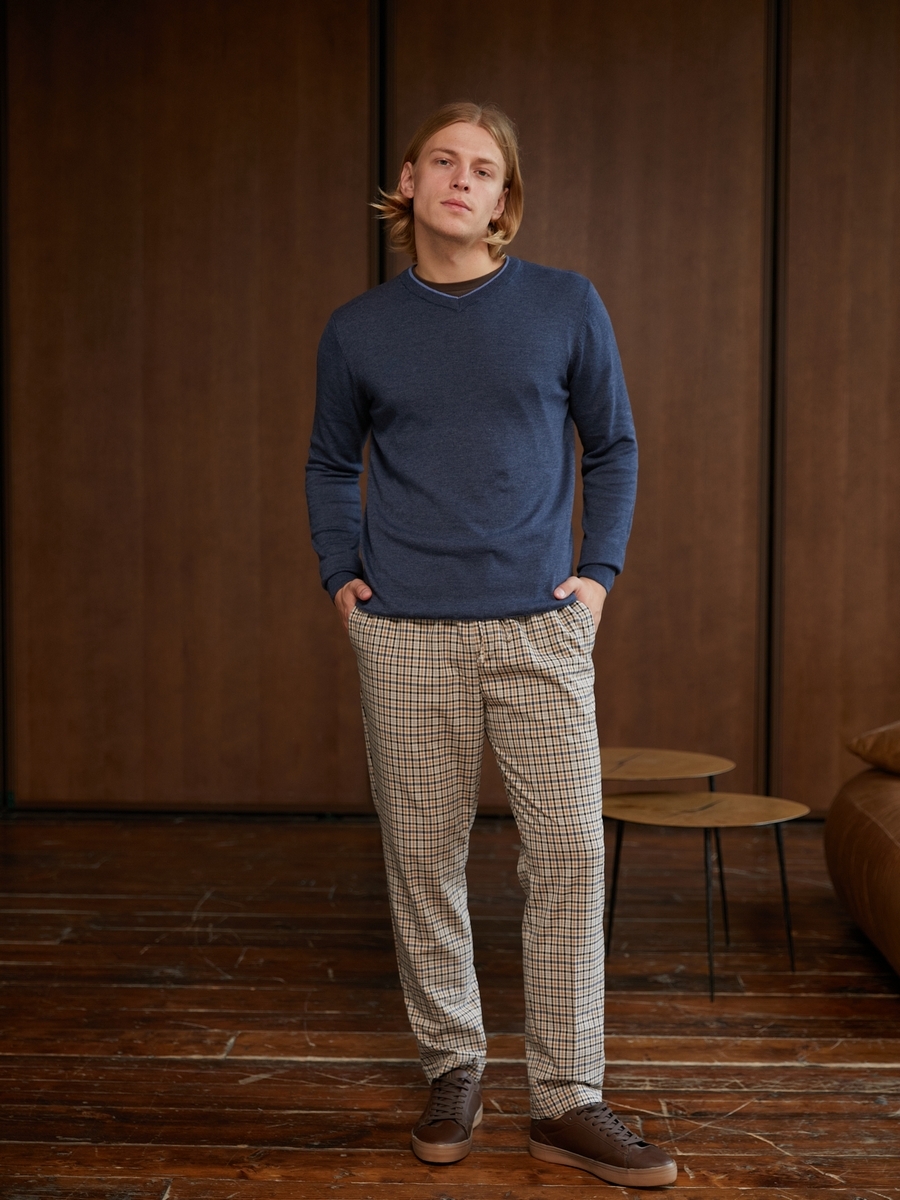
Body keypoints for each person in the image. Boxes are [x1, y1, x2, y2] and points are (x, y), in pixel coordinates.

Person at [306, 101, 676, 1188]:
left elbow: (613, 445)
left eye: (484, 169)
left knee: (568, 855)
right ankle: (454, 1065)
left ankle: (566, 1098)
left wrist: (597, 578)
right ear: (409, 183)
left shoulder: (565, 304)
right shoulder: (358, 329)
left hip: (539, 627)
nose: (463, 180)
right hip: (403, 631)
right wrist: (340, 576)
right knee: (423, 859)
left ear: (504, 198)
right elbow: (330, 462)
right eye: (443, 162)